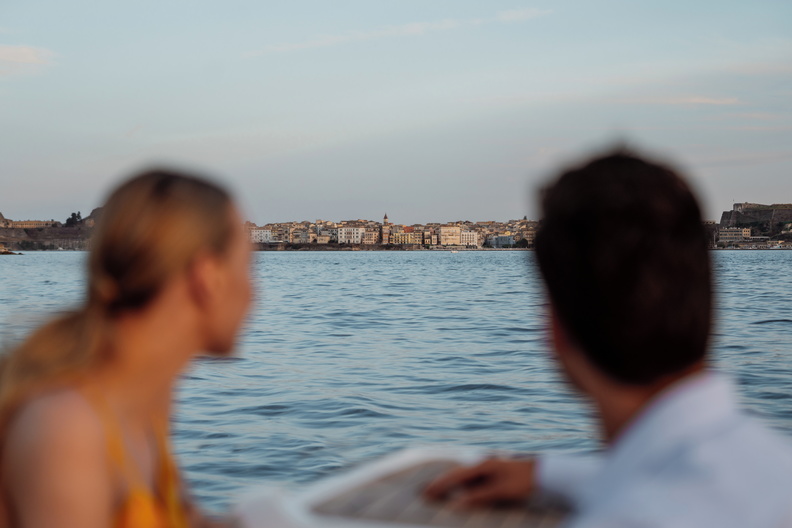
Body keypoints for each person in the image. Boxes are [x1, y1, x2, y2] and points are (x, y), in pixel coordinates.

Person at [425, 151, 792, 527]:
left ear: (555, 330)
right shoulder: (776, 466)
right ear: (707, 301)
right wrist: (548, 474)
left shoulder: (627, 516)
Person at [0, 169, 253, 527]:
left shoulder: (142, 400)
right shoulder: (70, 430)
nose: (254, 293)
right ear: (206, 277)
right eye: (247, 266)